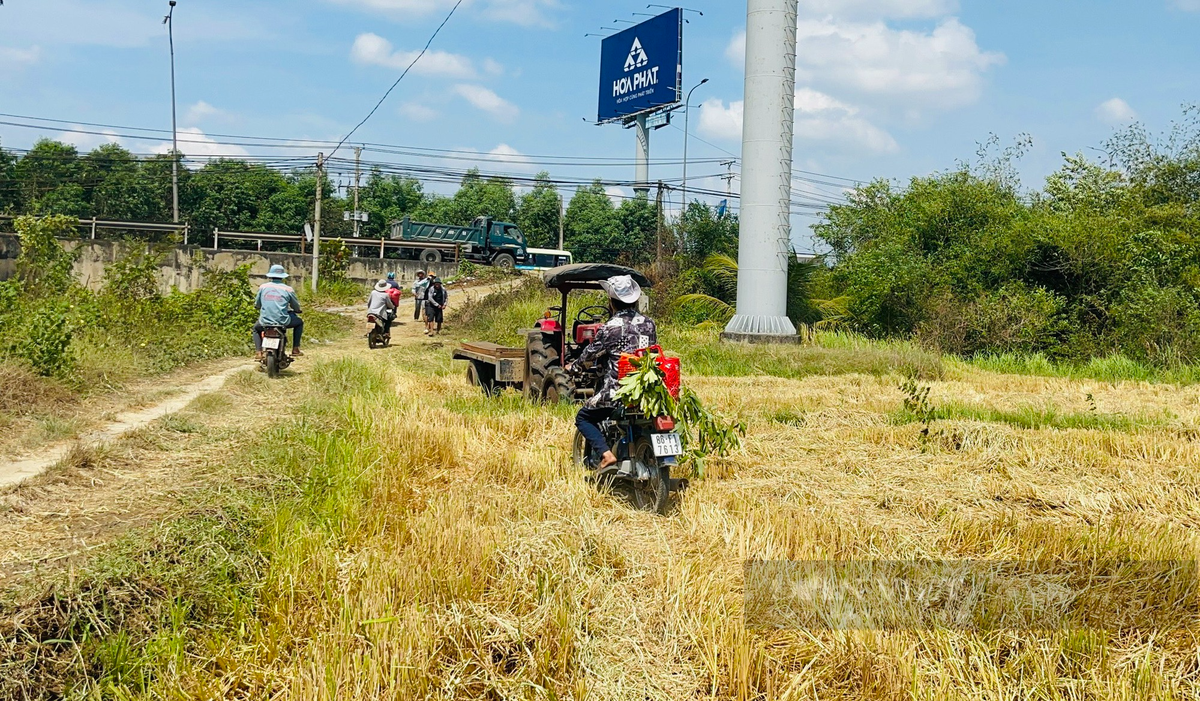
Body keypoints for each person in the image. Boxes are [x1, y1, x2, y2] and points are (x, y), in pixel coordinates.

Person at [569, 275, 656, 471]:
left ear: (611, 301)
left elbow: (588, 356)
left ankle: (607, 455)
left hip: (617, 393)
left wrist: (573, 368)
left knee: (583, 417)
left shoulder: (610, 327)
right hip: (645, 390)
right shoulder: (649, 324)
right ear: (635, 300)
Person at [253, 264, 304, 360]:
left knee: (256, 329)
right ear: (283, 277)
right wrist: (297, 310)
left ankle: (258, 352)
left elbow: (257, 304)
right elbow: (295, 305)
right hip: (283, 321)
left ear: (270, 276)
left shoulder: (263, 287)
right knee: (299, 323)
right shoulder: (288, 289)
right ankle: (295, 349)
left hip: (265, 321)